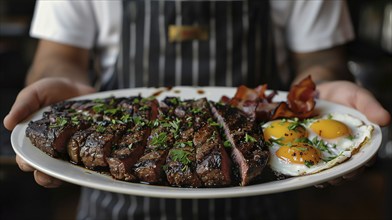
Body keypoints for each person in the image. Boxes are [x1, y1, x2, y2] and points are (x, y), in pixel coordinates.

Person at [4, 0, 390, 219]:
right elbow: (58, 57)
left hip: (263, 192)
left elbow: (322, 59)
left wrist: (324, 94)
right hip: (112, 196)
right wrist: (63, 94)